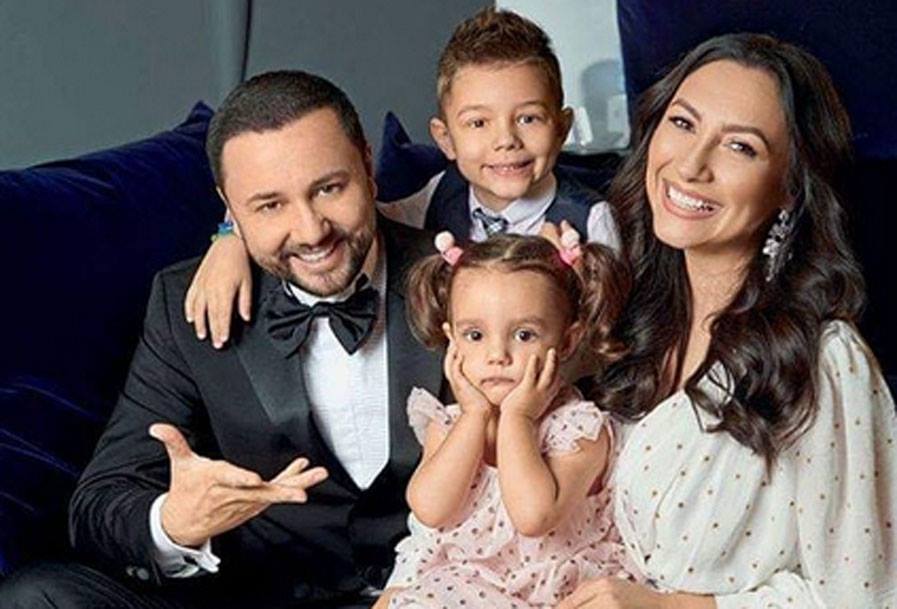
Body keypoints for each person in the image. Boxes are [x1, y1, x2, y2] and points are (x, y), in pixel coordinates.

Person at [0, 70, 444, 609]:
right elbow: (101, 501)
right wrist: (174, 522)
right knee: (37, 595)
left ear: (367, 168)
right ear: (230, 209)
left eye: (329, 188)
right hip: (262, 597)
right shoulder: (183, 303)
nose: (311, 231)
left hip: (438, 592)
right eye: (270, 205)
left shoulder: (460, 278)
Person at [551, 33, 897, 609]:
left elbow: (866, 595)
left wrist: (678, 608)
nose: (691, 165)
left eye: (740, 147)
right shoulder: (628, 319)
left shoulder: (823, 361)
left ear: (790, 190)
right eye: (683, 123)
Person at [183, 7, 619, 350]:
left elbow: (608, 340)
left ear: (562, 128)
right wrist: (230, 237)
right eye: (478, 123)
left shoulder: (592, 219)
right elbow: (346, 214)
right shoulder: (432, 200)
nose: (506, 141)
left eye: (528, 118)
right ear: (445, 139)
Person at [371, 231, 638, 608]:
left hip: (553, 590)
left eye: (524, 335)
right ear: (452, 341)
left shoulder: (579, 429)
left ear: (567, 341)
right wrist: (474, 416)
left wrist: (518, 418)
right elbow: (430, 509)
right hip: (465, 584)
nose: (497, 354)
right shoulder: (449, 424)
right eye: (475, 335)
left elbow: (533, 517)